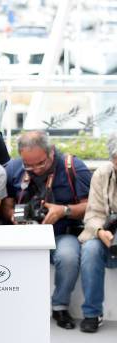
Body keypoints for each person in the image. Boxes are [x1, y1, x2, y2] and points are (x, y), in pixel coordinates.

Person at [2, 131, 91, 330]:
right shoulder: (13, 168)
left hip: (60, 233)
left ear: (51, 152)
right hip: (24, 234)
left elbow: (91, 207)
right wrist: (12, 216)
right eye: (29, 165)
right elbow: (5, 205)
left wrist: (64, 210)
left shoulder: (73, 168)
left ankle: (59, 306)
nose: (34, 170)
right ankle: (15, 308)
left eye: (40, 164)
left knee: (68, 257)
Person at [78, 133, 117, 332]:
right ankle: (92, 313)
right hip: (106, 234)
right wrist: (101, 231)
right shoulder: (103, 174)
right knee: (90, 250)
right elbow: (92, 213)